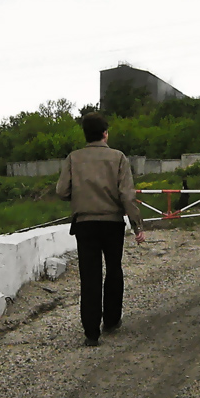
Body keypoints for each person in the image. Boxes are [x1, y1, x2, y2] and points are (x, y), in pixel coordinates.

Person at [56, 112, 146, 347]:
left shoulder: (73, 158)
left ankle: (91, 333)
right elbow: (127, 195)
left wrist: (81, 194)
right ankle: (112, 320)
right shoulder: (118, 158)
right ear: (105, 133)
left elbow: (62, 191)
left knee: (90, 276)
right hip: (113, 223)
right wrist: (137, 224)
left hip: (85, 224)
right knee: (114, 270)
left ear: (85, 134)